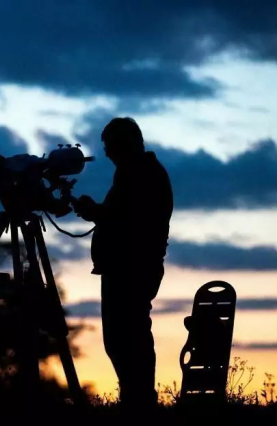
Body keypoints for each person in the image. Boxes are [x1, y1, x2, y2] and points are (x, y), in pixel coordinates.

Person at [72, 117, 173, 411]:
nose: (107, 153)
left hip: (131, 268)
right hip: (128, 267)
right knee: (126, 337)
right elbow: (122, 216)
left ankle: (139, 402)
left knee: (127, 337)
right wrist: (97, 212)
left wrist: (95, 212)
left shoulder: (140, 174)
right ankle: (136, 399)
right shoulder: (137, 172)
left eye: (110, 146)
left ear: (125, 144)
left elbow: (128, 222)